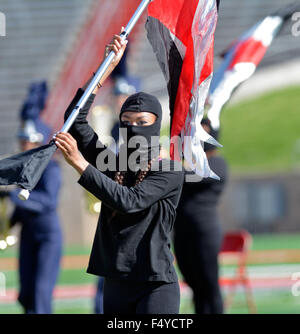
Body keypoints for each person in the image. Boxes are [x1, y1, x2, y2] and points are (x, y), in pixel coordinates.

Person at [55, 31, 184, 314]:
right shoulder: (114, 163)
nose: (134, 127)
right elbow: (75, 120)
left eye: (141, 121)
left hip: (154, 286)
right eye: (126, 121)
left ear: (155, 124)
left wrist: (81, 163)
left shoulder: (170, 169)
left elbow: (129, 200)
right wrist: (104, 69)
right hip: (115, 282)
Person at [9, 82, 62, 314]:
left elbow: (48, 201)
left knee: (41, 295)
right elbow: (21, 208)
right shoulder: (24, 168)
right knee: (26, 295)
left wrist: (14, 197)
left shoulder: (51, 168)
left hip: (47, 237)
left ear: (38, 141)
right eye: (22, 140)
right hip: (28, 235)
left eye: (28, 140)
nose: (24, 145)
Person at [173, 118, 228, 314]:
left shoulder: (217, 163)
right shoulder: (186, 165)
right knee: (194, 283)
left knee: (209, 284)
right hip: (182, 231)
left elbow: (192, 177)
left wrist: (170, 166)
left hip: (205, 232)